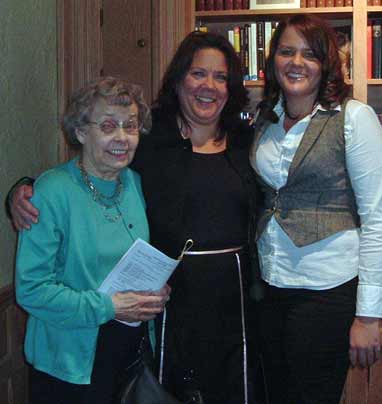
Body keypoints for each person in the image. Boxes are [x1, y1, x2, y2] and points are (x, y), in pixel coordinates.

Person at [8, 32, 261, 404]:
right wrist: (22, 190)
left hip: (191, 322)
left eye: (221, 77)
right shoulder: (147, 145)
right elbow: (73, 183)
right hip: (112, 340)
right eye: (108, 126)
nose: (122, 137)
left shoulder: (242, 141)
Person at [249, 14, 382, 404]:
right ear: (273, 60)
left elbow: (379, 220)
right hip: (268, 287)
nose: (296, 62)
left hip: (326, 291)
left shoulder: (354, 119)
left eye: (310, 54)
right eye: (286, 51)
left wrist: (367, 316)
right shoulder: (266, 121)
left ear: (327, 63)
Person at [14, 77, 170, 404]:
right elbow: (31, 289)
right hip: (69, 363)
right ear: (82, 132)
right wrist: (108, 306)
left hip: (130, 355)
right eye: (109, 126)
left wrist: (153, 288)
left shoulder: (136, 183)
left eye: (130, 126)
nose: (122, 138)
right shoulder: (52, 191)